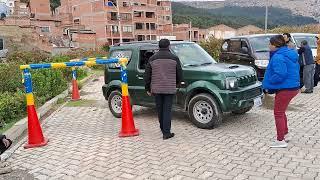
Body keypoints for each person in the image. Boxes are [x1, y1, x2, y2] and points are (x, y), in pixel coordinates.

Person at [263, 35, 300, 148]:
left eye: (270, 43)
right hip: (293, 87)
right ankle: (286, 134)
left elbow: (280, 74)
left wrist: (269, 81)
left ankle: (280, 140)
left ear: (275, 45)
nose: (268, 45)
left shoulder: (278, 56)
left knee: (278, 113)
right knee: (281, 111)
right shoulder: (289, 53)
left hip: (286, 88)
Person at [144, 39, 183, 140]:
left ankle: (163, 128)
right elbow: (179, 73)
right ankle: (166, 132)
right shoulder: (174, 58)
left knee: (160, 109)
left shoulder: (152, 58)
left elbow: (147, 75)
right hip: (169, 88)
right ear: (169, 46)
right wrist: (178, 84)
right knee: (167, 110)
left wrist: (147, 88)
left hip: (156, 89)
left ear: (159, 47)